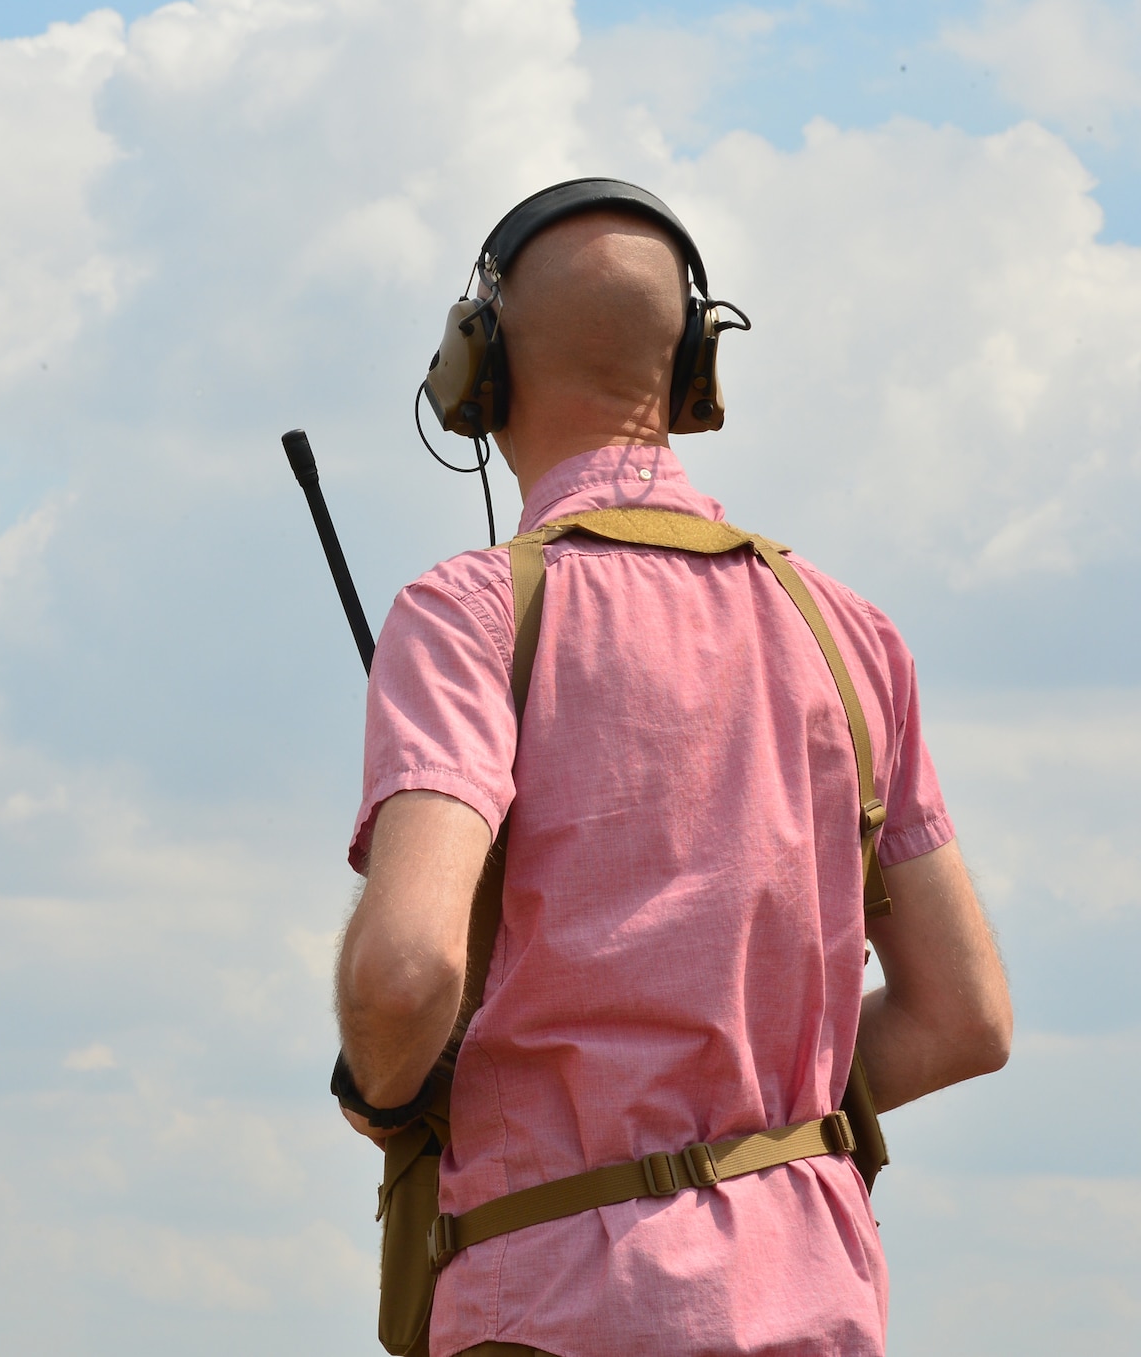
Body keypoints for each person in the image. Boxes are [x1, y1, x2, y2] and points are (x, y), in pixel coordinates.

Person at [333, 196, 1013, 1356]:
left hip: (554, 1304)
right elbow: (963, 1020)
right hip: (818, 1300)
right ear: (697, 369)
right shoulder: (848, 632)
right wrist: (749, 1105)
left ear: (474, 367)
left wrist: (391, 1088)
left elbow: (403, 977)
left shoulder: (467, 616)